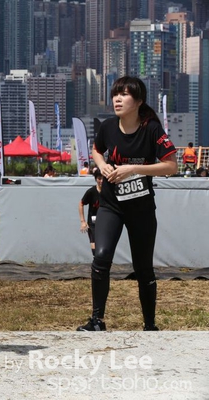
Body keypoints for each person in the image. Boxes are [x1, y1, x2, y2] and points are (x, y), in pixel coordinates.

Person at [77, 76, 177, 332]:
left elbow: (171, 166)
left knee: (143, 268)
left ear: (139, 101)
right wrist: (102, 165)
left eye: (124, 94)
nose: (117, 99)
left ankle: (150, 325)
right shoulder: (108, 127)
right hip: (110, 206)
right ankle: (97, 321)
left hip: (141, 209)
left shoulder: (152, 129)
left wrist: (133, 168)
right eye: (115, 94)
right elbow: (96, 150)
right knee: (101, 257)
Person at [79, 169, 103, 256]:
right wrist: (83, 221)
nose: (101, 181)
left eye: (103, 179)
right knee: (95, 247)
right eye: (99, 178)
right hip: (93, 223)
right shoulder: (91, 192)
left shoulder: (108, 192)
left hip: (105, 222)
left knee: (104, 246)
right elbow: (81, 204)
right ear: (96, 179)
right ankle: (96, 261)